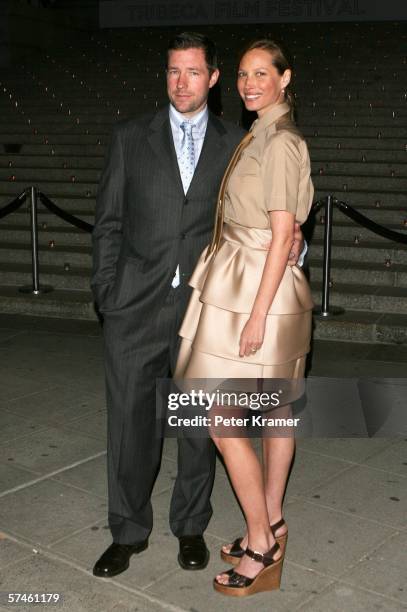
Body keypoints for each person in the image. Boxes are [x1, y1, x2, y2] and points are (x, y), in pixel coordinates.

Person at [91, 32, 306, 579]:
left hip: (206, 308)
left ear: (212, 79)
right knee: (131, 426)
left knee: (198, 426)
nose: (181, 82)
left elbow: (266, 215)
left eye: (192, 72)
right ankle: (127, 532)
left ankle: (190, 525)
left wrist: (295, 239)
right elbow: (108, 223)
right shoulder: (129, 137)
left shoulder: (239, 142)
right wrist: (108, 294)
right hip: (135, 306)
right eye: (172, 72)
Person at [174, 39, 314, 596]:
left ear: (285, 78)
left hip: (259, 289)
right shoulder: (263, 133)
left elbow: (282, 235)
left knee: (219, 414)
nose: (249, 82)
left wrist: (255, 317)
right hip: (261, 281)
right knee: (277, 410)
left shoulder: (278, 141)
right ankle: (273, 520)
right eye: (241, 74)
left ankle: (261, 543)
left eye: (262, 73)